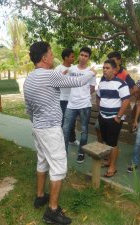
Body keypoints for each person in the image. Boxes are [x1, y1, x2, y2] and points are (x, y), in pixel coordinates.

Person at [23, 41, 95, 224]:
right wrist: (92, 72)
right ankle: (52, 211)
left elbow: (28, 109)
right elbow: (78, 81)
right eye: (50, 52)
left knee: (42, 160)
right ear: (44, 58)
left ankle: (40, 196)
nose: (53, 55)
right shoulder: (50, 76)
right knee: (58, 167)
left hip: (38, 127)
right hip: (50, 129)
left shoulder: (30, 78)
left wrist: (37, 122)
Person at [96, 59, 130, 177]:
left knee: (113, 143)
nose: (104, 70)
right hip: (103, 117)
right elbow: (98, 97)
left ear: (114, 70)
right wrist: (100, 111)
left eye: (107, 68)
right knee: (106, 141)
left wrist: (119, 116)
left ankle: (112, 167)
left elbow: (126, 100)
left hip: (114, 119)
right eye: (103, 68)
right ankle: (109, 161)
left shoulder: (121, 83)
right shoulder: (102, 83)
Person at [62, 47, 97, 163]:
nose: (83, 57)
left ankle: (81, 152)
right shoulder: (71, 69)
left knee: (84, 130)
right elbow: (65, 80)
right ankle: (63, 153)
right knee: (65, 129)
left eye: (86, 56)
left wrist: (84, 95)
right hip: (71, 104)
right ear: (79, 56)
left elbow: (92, 88)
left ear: (88, 58)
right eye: (81, 55)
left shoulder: (91, 72)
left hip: (85, 105)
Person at [55, 48, 79, 146]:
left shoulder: (74, 68)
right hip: (62, 99)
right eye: (72, 56)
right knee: (64, 121)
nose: (74, 58)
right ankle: (61, 141)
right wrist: (62, 76)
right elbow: (55, 84)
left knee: (72, 120)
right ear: (65, 57)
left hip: (73, 99)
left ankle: (72, 139)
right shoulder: (58, 69)